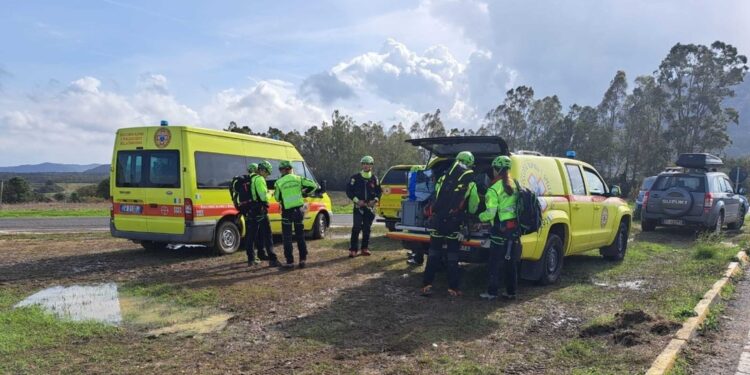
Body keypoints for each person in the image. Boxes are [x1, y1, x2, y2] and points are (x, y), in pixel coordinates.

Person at [421, 151, 479, 297]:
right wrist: (471, 215)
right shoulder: (470, 182)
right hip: (454, 223)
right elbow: (474, 204)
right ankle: (453, 288)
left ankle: (427, 284)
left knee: (433, 254)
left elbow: (436, 196)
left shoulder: (443, 177)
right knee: (453, 256)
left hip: (438, 220)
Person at [478, 155, 521, 300]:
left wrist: (479, 217)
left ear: (497, 170)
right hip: (514, 229)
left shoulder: (493, 189)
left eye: (494, 169)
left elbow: (490, 213)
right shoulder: (516, 184)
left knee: (494, 263)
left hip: (499, 230)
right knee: (511, 263)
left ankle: (492, 292)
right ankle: (511, 292)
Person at [273, 160, 319, 269]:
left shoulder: (279, 182)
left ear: (283, 170)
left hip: (286, 212)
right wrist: (305, 193)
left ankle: (290, 262)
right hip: (298, 211)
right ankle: (302, 259)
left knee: (287, 237)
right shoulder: (298, 179)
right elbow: (314, 185)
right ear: (291, 169)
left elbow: (276, 197)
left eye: (280, 170)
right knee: (300, 236)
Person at [346, 155, 382, 258]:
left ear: (371, 165)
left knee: (367, 228)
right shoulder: (355, 178)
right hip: (358, 207)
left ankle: (364, 248)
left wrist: (375, 200)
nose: (366, 166)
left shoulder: (375, 178)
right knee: (356, 227)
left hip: (370, 208)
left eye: (368, 164)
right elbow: (349, 191)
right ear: (362, 165)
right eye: (364, 164)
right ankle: (353, 249)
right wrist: (357, 201)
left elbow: (379, 192)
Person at [247, 160, 280, 267]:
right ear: (263, 170)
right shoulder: (260, 179)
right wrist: (270, 194)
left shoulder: (251, 178)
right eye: (267, 173)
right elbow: (263, 197)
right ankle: (272, 258)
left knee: (252, 235)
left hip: (251, 209)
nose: (267, 176)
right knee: (267, 233)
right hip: (260, 210)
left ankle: (251, 258)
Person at [230, 163, 263, 266]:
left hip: (243, 210)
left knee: (249, 233)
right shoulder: (254, 180)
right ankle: (252, 258)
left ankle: (251, 257)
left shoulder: (240, 180)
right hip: (253, 209)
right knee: (253, 235)